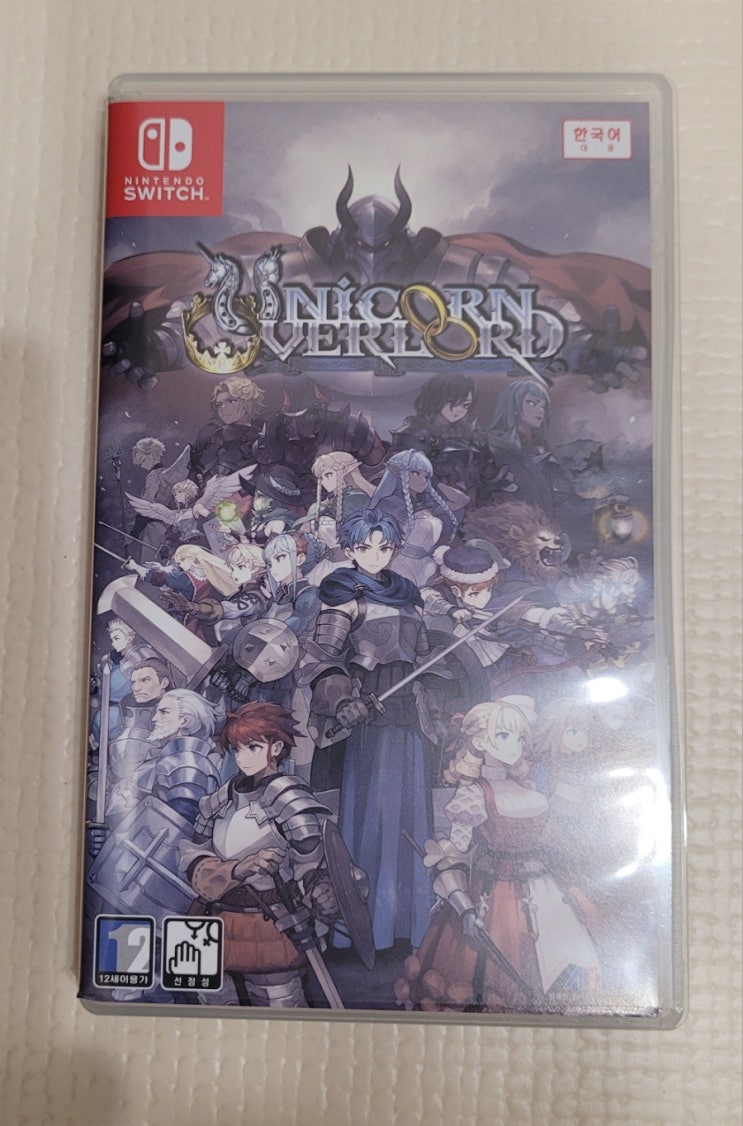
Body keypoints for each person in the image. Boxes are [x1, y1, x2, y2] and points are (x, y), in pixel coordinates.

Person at [399, 698, 599, 1013]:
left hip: (543, 887)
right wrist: (464, 907)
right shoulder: (474, 793)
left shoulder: (527, 786)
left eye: (519, 737)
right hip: (492, 893)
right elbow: (453, 855)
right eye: (504, 736)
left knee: (564, 966)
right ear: (480, 741)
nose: (515, 745)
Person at [306, 508, 447, 950]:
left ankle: (409, 925)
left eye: (384, 547)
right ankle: (366, 926)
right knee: (373, 814)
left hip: (408, 715)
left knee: (411, 811)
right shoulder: (340, 595)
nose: (375, 555)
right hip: (367, 715)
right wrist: (341, 700)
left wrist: (434, 688)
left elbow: (423, 655)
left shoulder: (408, 595)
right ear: (350, 549)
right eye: (364, 547)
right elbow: (319, 659)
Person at [180, 702, 341, 1007]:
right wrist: (238, 869)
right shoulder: (219, 800)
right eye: (237, 749)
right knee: (211, 1007)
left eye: (253, 747)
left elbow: (311, 865)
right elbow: (194, 855)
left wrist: (321, 892)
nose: (242, 758)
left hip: (271, 920)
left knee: (280, 1008)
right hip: (214, 917)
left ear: (276, 747)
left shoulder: (290, 799)